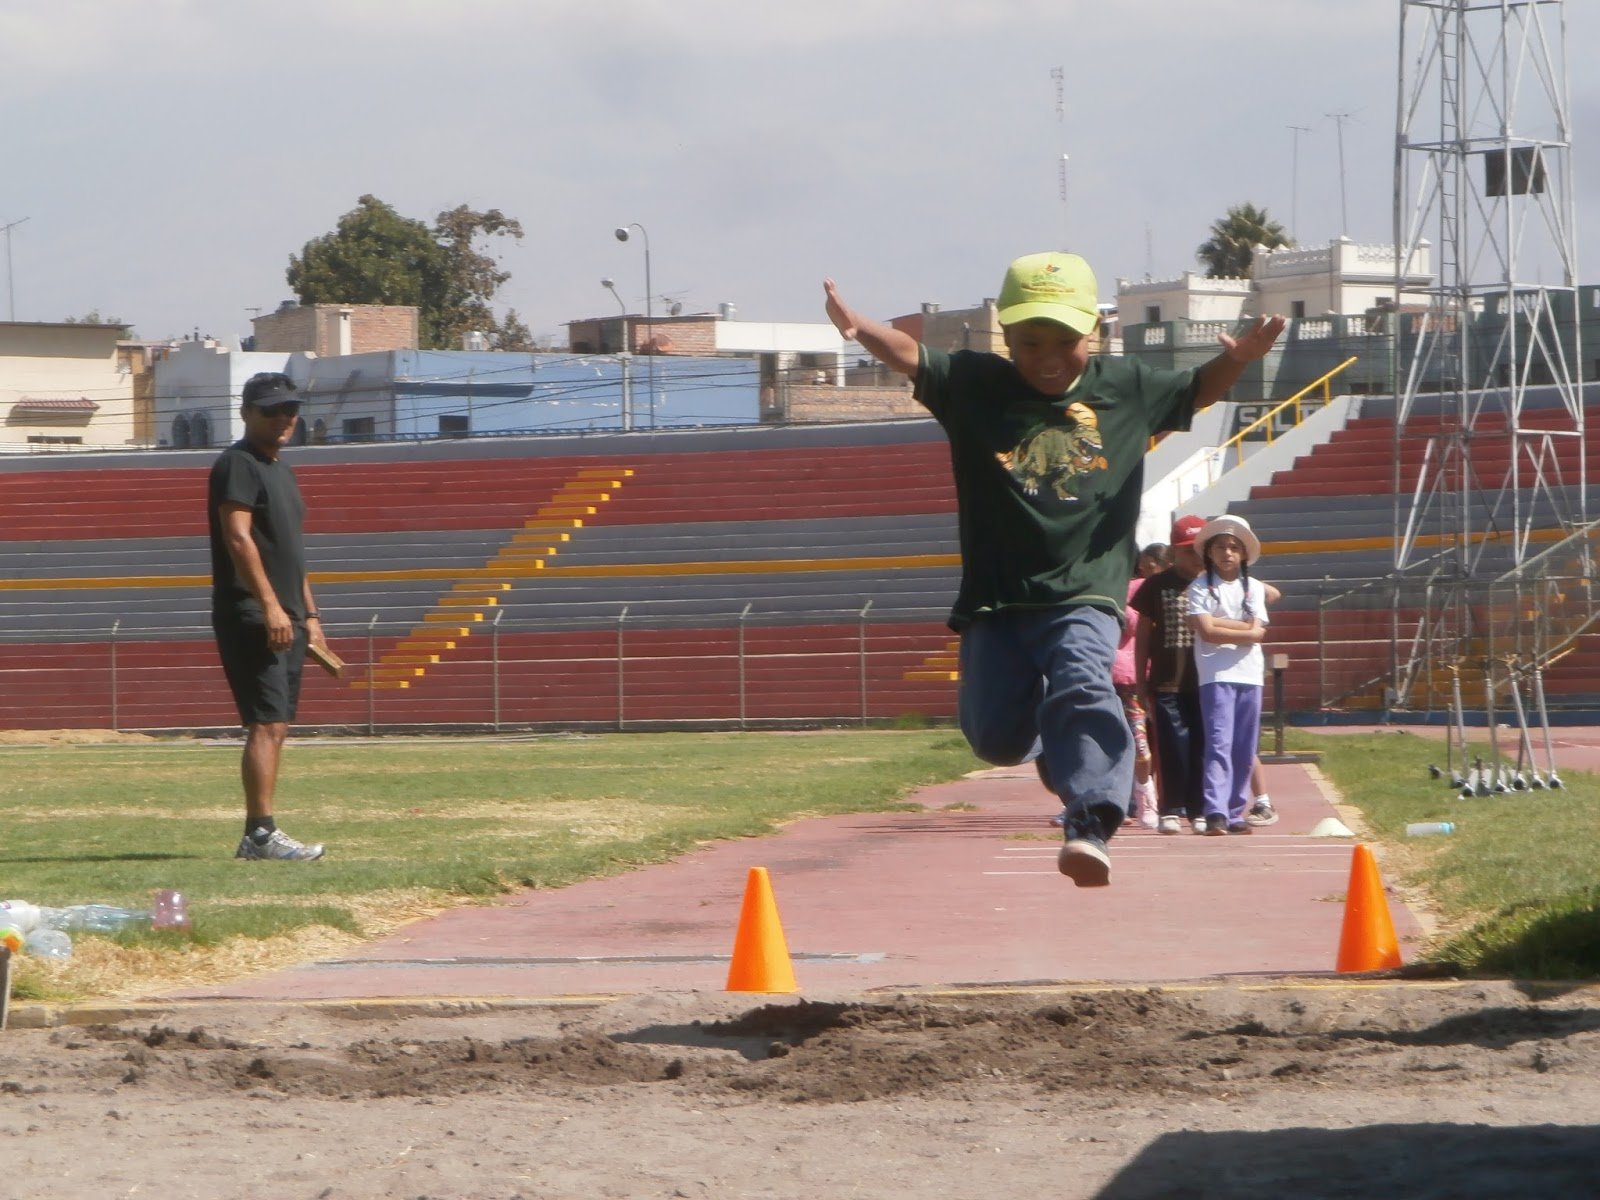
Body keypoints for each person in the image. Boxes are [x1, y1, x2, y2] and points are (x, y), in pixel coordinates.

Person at [823, 254, 1284, 887]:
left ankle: (1091, 819)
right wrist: (859, 328)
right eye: (1029, 342)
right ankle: (1051, 742)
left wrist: (1239, 357)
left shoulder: (1127, 387)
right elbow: (910, 354)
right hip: (997, 598)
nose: (1047, 357)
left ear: (1093, 330)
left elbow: (1195, 390)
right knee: (995, 741)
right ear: (1006, 337)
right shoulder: (975, 384)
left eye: (1065, 342)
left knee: (1081, 676)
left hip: (1085, 589)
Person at [208, 372, 329, 861]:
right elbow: (238, 538)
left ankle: (260, 833)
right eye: (271, 410)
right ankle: (259, 834)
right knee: (265, 721)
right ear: (246, 413)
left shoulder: (280, 469)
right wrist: (271, 606)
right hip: (255, 613)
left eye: (290, 410)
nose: (284, 418)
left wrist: (311, 615)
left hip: (288, 615)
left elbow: (290, 553)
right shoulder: (238, 464)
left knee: (277, 722)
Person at [1185, 514, 1270, 835]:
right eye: (1220, 546)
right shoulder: (1200, 587)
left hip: (1250, 675)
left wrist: (1225, 626)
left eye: (1235, 547)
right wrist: (1243, 630)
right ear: (1209, 552)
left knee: (1244, 746)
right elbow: (1207, 631)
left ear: (1245, 553)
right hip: (1216, 674)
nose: (1227, 553)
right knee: (1219, 742)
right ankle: (1215, 811)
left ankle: (1236, 810)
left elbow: (1258, 633)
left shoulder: (1256, 588)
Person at [1131, 515, 1209, 835]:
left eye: (1199, 550)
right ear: (1174, 551)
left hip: (1206, 680)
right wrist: (1139, 678)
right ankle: (1171, 808)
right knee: (1173, 745)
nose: (1195, 557)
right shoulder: (1155, 586)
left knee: (1202, 744)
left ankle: (1200, 808)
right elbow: (1144, 636)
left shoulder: (1214, 583)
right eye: (1187, 550)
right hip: (1167, 680)